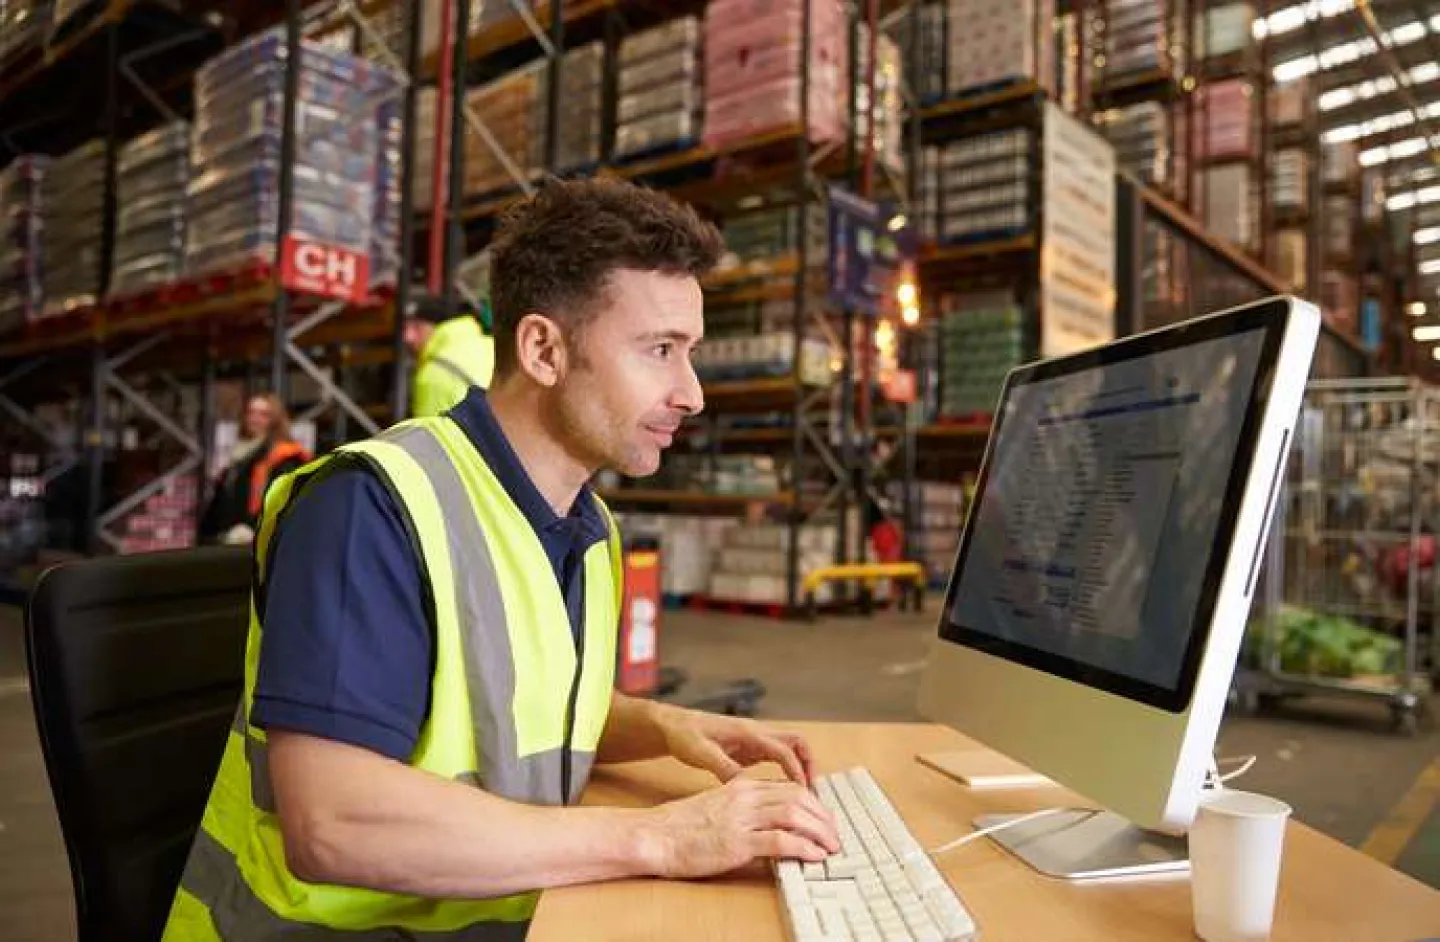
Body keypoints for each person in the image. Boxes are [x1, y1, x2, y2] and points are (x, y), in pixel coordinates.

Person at [163, 177, 840, 941]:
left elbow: (512, 712)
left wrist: (663, 725)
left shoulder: (587, 528)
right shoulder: (372, 509)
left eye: (691, 354)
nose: (692, 394)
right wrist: (662, 836)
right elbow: (333, 822)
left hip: (504, 911)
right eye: (660, 351)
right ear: (544, 349)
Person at [196, 393, 310, 545]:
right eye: (250, 412)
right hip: (226, 541)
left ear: (275, 420)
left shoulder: (286, 457)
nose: (254, 419)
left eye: (263, 414)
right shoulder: (238, 455)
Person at [406, 292, 496, 416]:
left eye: (417, 327)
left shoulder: (434, 371)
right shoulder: (494, 346)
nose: (408, 337)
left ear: (438, 326)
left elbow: (429, 434)